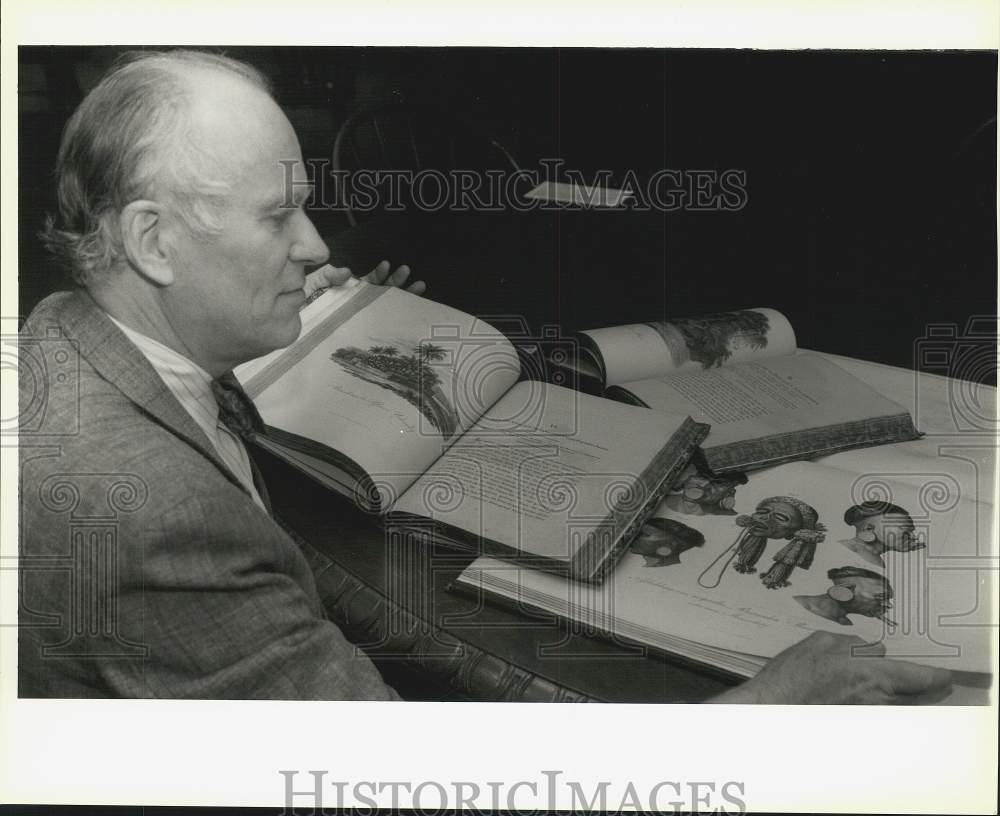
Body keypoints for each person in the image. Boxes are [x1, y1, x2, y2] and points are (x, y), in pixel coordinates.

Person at [18, 49, 952, 704]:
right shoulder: (141, 506)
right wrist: (762, 718)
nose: (315, 248)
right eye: (279, 218)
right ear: (152, 241)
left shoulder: (78, 332)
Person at [794, 566, 896, 626]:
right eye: (880, 597)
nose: (889, 605)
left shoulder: (845, 623)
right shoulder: (798, 606)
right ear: (843, 592)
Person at [841, 501, 923, 567]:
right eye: (904, 528)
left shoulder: (871, 558)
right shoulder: (846, 553)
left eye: (911, 531)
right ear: (869, 529)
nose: (913, 536)